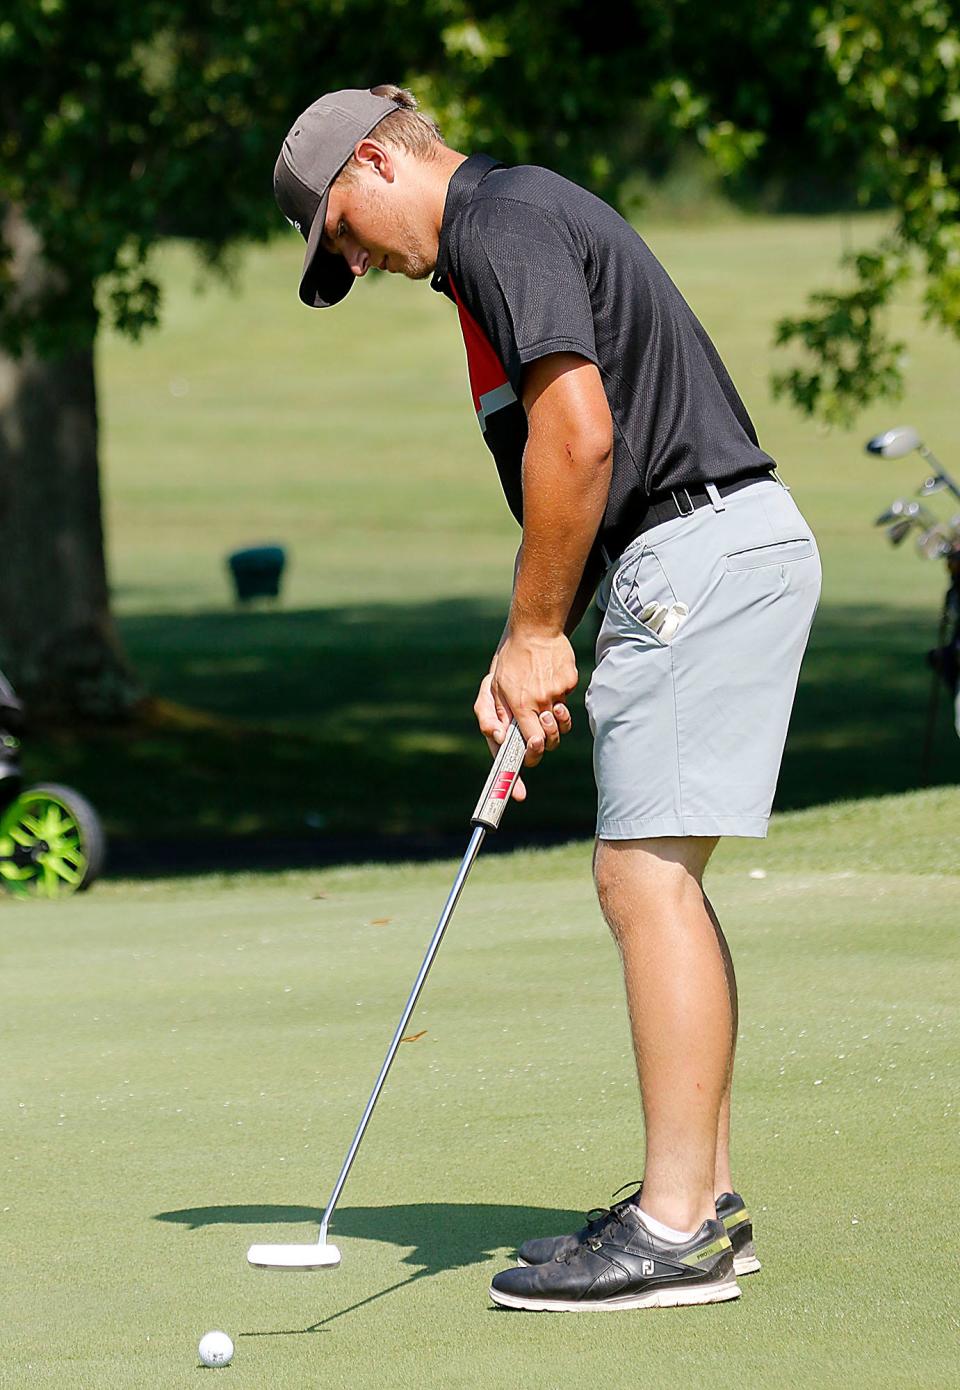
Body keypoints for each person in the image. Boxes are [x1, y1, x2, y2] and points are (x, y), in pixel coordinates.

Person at [273, 84, 821, 1313]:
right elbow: (564, 471)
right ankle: (703, 1205)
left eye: (343, 228)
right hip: (695, 551)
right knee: (658, 871)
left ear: (376, 159)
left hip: (698, 544)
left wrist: (534, 632)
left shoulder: (496, 220)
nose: (356, 261)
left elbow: (578, 438)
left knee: (641, 877)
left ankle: (674, 1226)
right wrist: (535, 647)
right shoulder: (494, 248)